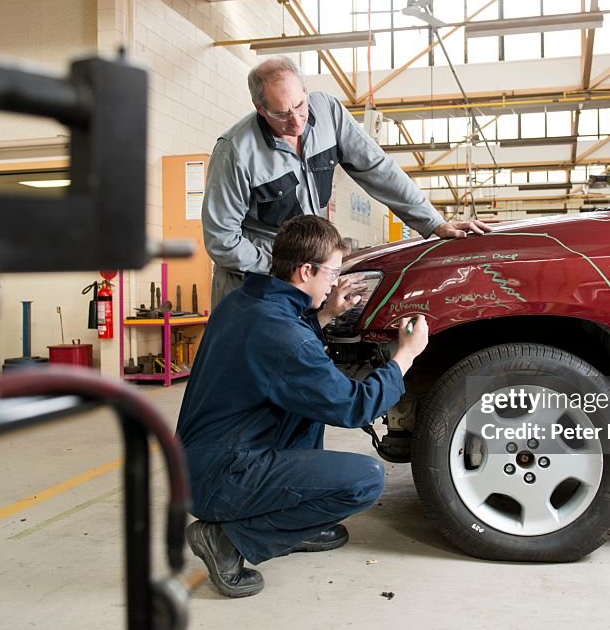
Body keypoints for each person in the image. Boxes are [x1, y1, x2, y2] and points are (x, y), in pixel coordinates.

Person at [176, 215, 430, 598]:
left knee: (307, 405)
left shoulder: (245, 301)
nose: (335, 281)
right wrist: (405, 357)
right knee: (364, 480)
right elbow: (353, 407)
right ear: (305, 269)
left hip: (201, 462)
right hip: (221, 477)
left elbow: (284, 352)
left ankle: (293, 524)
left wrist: (325, 313)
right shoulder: (283, 334)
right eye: (331, 272)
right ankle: (229, 538)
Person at [203, 55, 490, 308]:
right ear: (260, 108)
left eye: (300, 106)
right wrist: (284, 270)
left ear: (305, 90)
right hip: (251, 288)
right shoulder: (235, 151)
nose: (296, 122)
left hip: (304, 277)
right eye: (281, 114)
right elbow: (222, 240)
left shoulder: (328, 112)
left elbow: (378, 168)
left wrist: (433, 222)